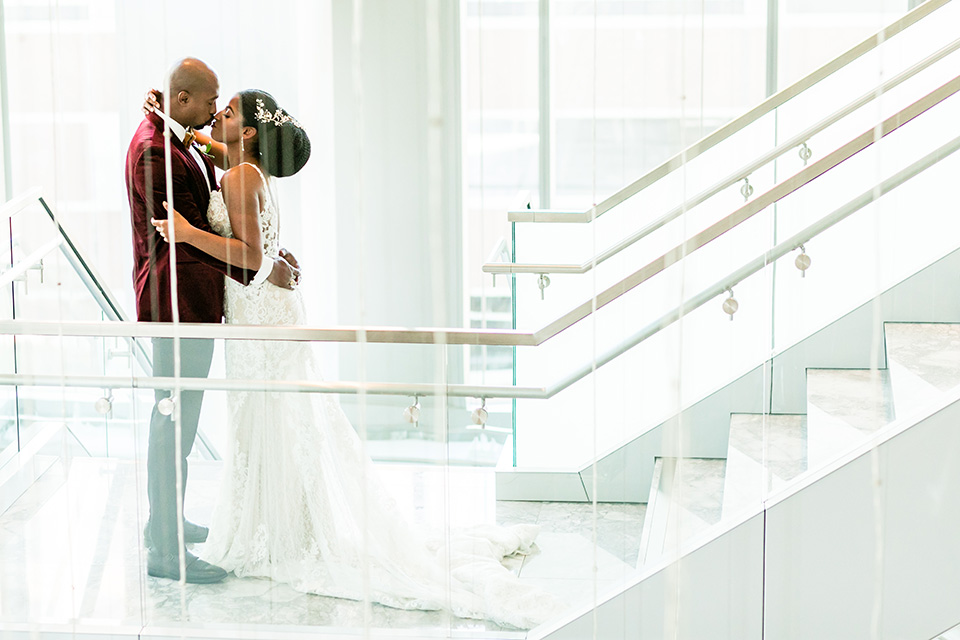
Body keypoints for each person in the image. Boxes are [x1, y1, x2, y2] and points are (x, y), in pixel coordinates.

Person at [151, 89, 566, 629]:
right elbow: (206, 148)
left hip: (258, 314)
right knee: (275, 417)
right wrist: (165, 116)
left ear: (250, 132)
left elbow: (252, 256)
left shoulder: (238, 177)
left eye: (227, 111)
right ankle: (284, 528)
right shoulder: (249, 172)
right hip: (269, 310)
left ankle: (282, 533)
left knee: (269, 415)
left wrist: (188, 234)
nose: (215, 117)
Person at [125, 58, 300, 584]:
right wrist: (267, 266)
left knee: (178, 421)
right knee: (172, 423)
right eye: (210, 101)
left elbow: (221, 202)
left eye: (223, 105)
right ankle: (163, 549)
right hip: (176, 305)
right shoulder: (157, 151)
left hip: (200, 304)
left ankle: (167, 522)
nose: (214, 109)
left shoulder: (178, 138)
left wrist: (268, 254)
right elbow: (191, 232)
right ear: (183, 101)